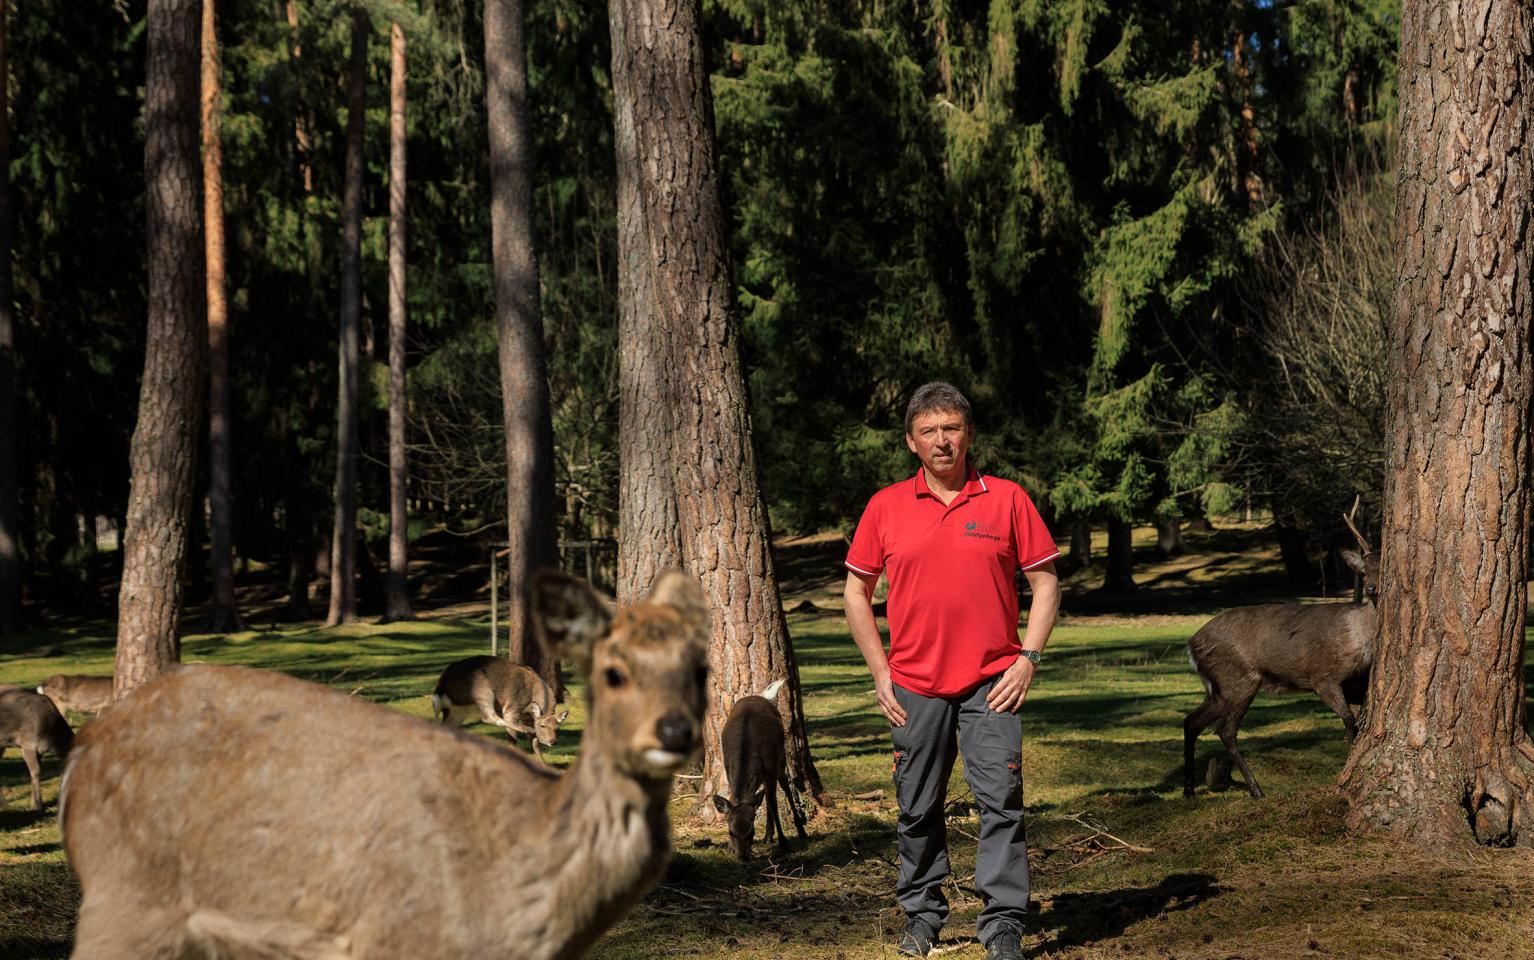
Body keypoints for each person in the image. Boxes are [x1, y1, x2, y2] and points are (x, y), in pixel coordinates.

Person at [843, 381, 1061, 960]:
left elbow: (1045, 583)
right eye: (929, 432)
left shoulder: (1008, 498)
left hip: (993, 683)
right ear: (912, 442)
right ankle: (921, 914)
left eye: (952, 429)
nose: (942, 441)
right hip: (913, 685)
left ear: (968, 434)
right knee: (916, 806)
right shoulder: (885, 506)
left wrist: (1028, 659)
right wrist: (879, 673)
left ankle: (1004, 924)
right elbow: (855, 592)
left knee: (1002, 804)